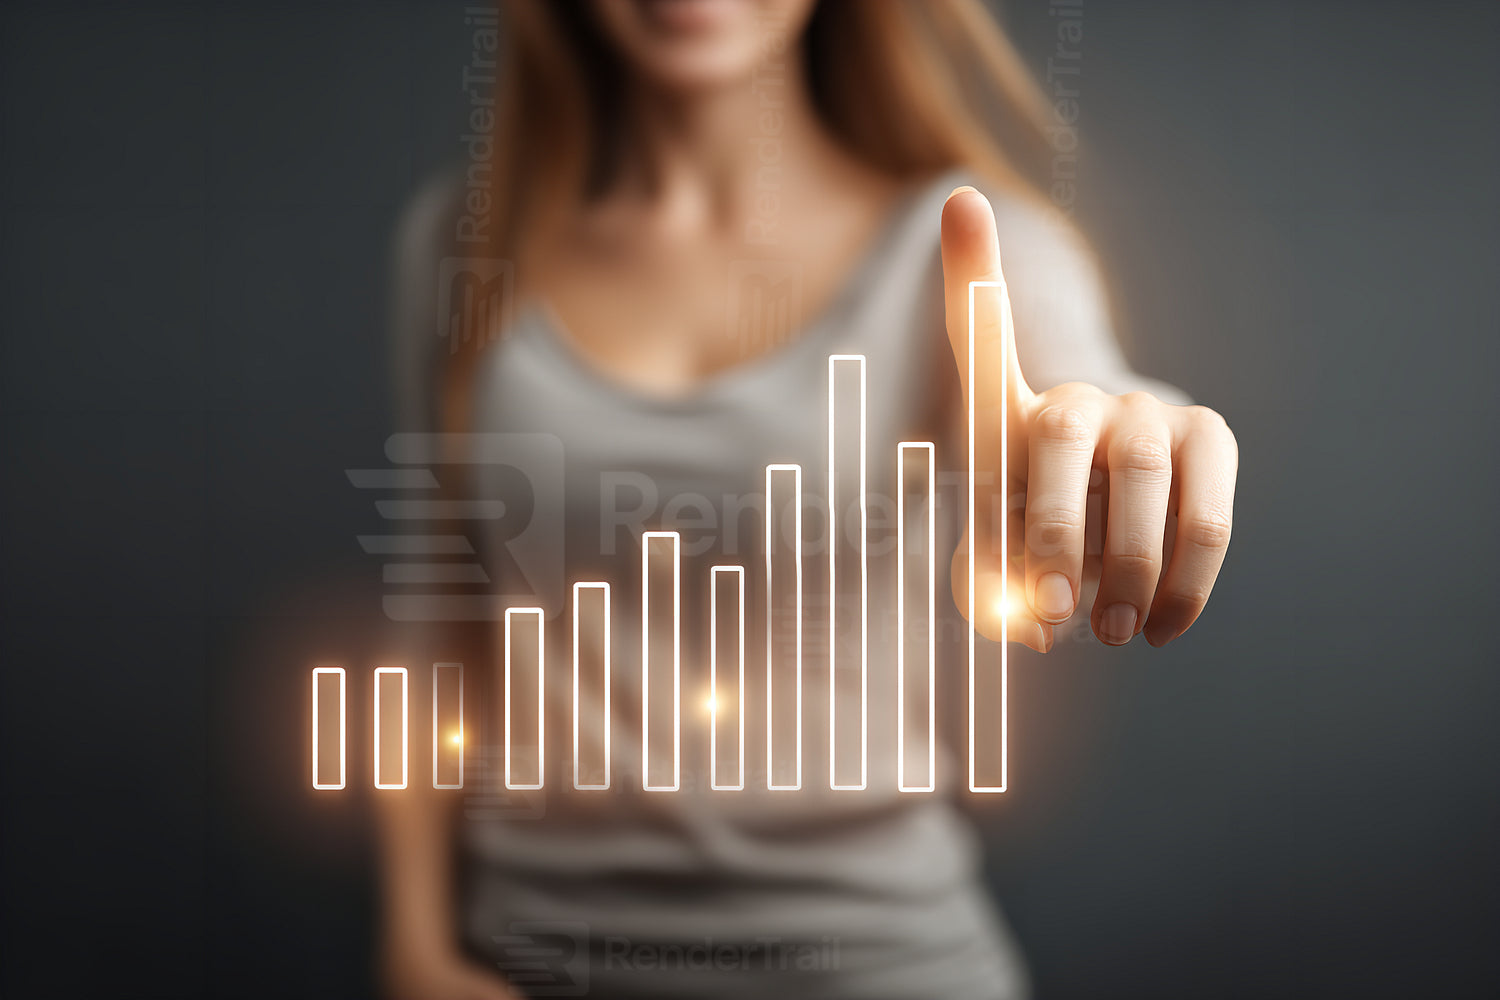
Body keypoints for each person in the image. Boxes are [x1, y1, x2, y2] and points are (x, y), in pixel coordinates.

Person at [378, 2, 1238, 997]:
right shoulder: (460, 244)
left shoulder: (974, 254)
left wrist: (1129, 438)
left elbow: (1079, 388)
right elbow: (438, 621)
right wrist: (414, 947)